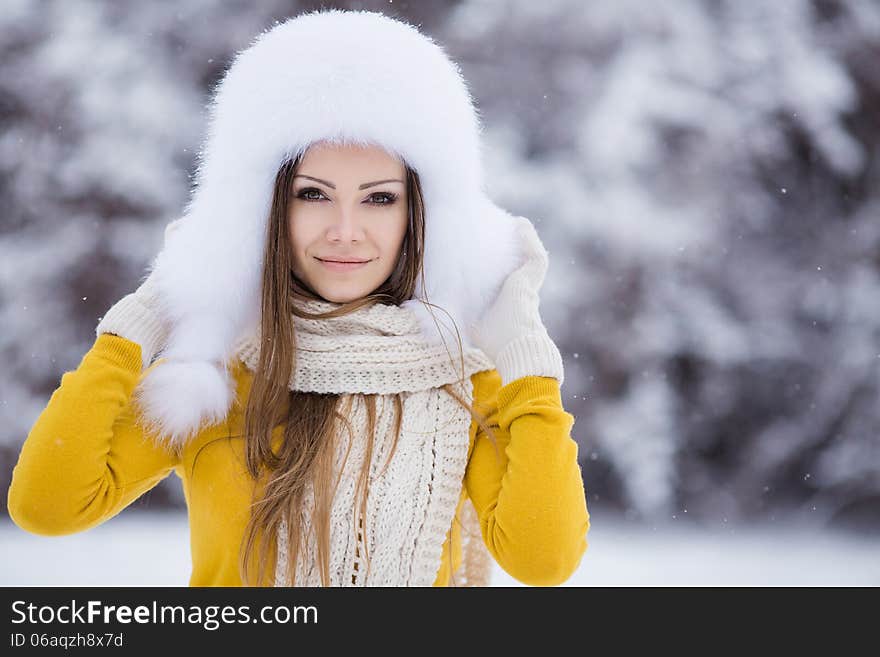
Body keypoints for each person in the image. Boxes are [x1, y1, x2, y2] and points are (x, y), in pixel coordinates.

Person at [7, 8, 590, 587]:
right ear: (263, 209)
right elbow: (48, 505)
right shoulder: (216, 378)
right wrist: (144, 317)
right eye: (313, 194)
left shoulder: (462, 384)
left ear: (423, 216)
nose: (344, 229)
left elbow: (544, 561)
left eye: (379, 199)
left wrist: (528, 359)